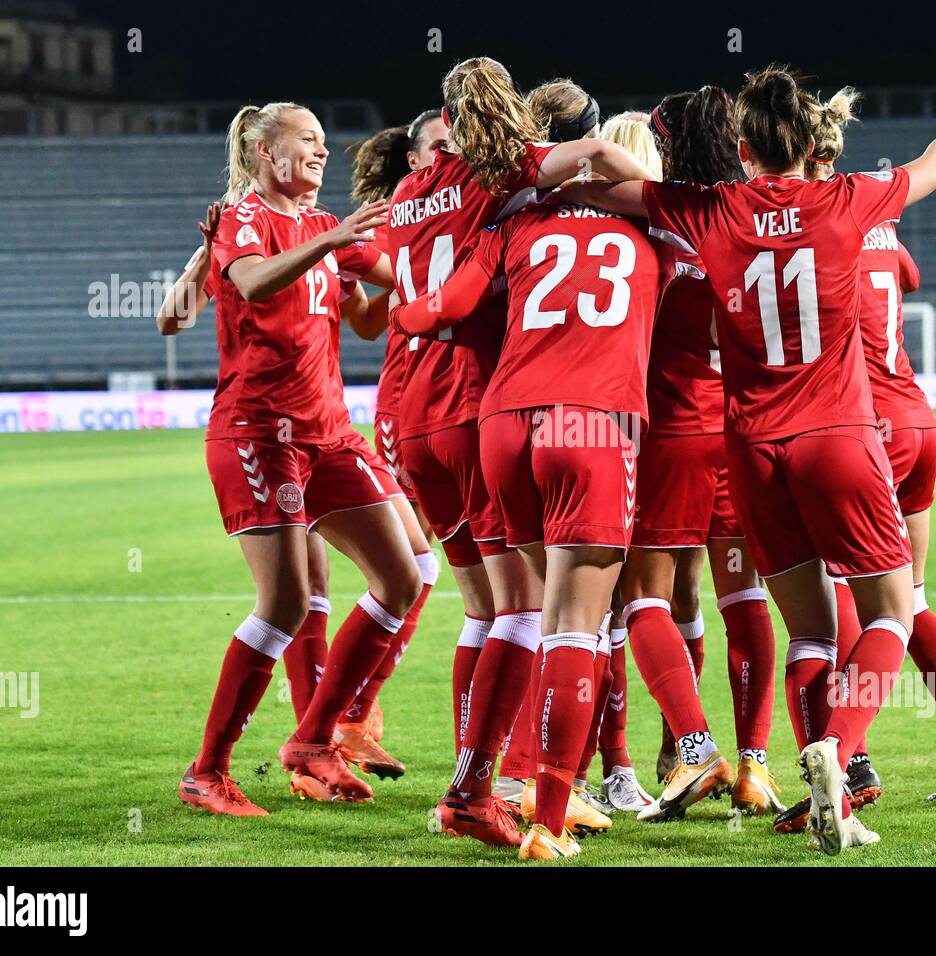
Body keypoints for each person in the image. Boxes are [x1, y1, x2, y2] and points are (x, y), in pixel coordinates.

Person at [562, 59, 936, 854]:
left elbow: (611, 186)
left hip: (753, 450)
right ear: (810, 141)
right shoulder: (848, 199)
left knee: (807, 632)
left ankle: (819, 789)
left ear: (742, 145)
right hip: (837, 436)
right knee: (891, 613)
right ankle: (838, 745)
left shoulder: (712, 209)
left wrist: (542, 158)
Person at [379, 56, 660, 848]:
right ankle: (535, 795)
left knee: (502, 610)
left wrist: (407, 316)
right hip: (582, 419)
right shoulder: (637, 217)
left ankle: (487, 779)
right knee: (563, 616)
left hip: (483, 417)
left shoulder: (483, 213)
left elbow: (442, 306)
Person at [774, 89, 936, 835]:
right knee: (905, 597)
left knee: (829, 604)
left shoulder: (796, 228)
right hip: (915, 419)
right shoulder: (871, 215)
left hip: (851, 426)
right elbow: (904, 274)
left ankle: (847, 762)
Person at [177, 101, 424, 815]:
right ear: (263, 149)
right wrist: (332, 241)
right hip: (258, 433)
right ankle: (208, 770)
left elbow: (397, 276)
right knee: (284, 601)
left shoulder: (322, 226)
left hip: (329, 436)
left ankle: (315, 738)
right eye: (307, 139)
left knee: (403, 576)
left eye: (322, 140)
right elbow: (254, 282)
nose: (321, 150)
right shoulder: (243, 219)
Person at [614, 91, 785, 819]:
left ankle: (694, 751)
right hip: (745, 436)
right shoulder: (759, 217)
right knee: (743, 596)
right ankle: (754, 764)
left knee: (640, 597)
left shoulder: (664, 217)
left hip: (675, 434)